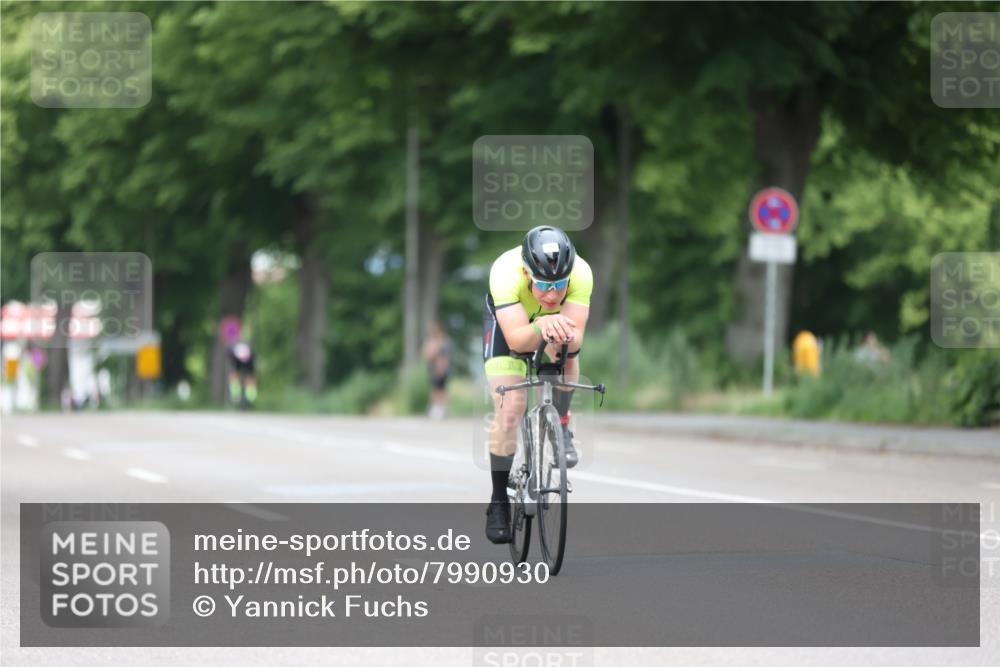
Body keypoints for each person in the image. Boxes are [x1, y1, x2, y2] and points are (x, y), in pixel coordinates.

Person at [482, 225, 592, 544]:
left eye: (560, 284)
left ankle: (562, 424)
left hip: (553, 326)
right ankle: (499, 500)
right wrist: (541, 324)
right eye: (544, 284)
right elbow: (517, 339)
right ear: (526, 273)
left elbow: (578, 339)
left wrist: (561, 334)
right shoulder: (505, 273)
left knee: (568, 349)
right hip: (508, 328)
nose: (553, 294)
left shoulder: (582, 274)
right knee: (511, 408)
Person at [422, 321, 453, 420]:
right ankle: (436, 409)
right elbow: (427, 355)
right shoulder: (432, 341)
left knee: (441, 390)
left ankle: (441, 410)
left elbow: (446, 357)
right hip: (434, 369)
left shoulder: (443, 341)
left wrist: (442, 368)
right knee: (436, 389)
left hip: (441, 369)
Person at [227, 340, 258, 408]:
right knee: (234, 377)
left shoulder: (251, 357)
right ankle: (236, 394)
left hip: (248, 362)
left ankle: (250, 396)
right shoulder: (234, 355)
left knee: (250, 379)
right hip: (238, 360)